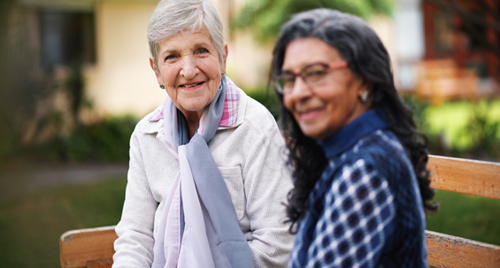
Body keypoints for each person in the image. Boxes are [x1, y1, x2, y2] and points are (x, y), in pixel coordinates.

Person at [112, 0, 294, 267]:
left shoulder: (254, 127)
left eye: (201, 51)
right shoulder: (146, 136)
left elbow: (278, 243)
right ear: (157, 70)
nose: (188, 70)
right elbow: (136, 239)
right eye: (172, 56)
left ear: (222, 57)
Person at [270, 9, 438, 267]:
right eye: (290, 79)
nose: (297, 93)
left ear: (365, 80)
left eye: (316, 73)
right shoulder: (343, 149)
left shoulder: (365, 171)